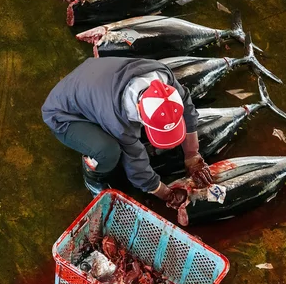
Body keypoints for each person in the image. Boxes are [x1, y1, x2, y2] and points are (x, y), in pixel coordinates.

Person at [41, 57, 213, 209]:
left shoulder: (163, 79)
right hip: (63, 114)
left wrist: (192, 154)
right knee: (108, 151)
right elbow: (136, 165)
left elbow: (187, 109)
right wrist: (165, 193)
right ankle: (92, 176)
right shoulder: (118, 119)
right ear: (139, 108)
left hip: (93, 82)